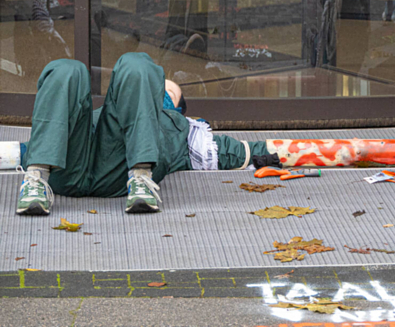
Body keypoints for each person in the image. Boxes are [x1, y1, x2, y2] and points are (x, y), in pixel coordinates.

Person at [14, 53, 274, 216]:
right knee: (66, 69)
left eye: (169, 93)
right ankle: (36, 181)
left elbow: (244, 151)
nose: (163, 93)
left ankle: (141, 179)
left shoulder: (190, 134)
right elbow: (30, 145)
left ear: (178, 108)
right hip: (68, 168)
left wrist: (310, 149)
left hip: (119, 174)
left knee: (137, 63)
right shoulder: (106, 114)